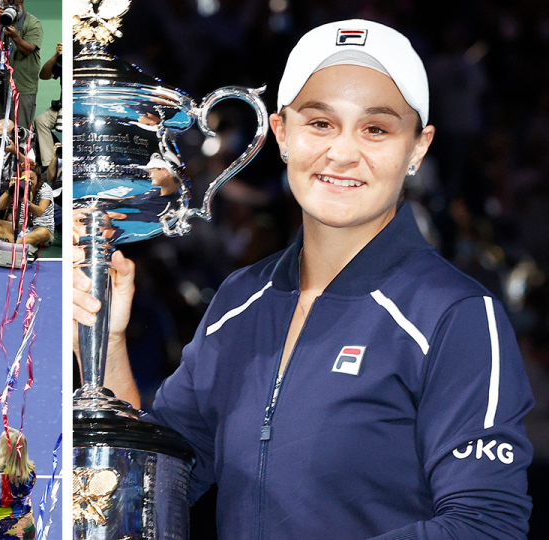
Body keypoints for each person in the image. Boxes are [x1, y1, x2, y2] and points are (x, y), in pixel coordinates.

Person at [73, 19, 534, 538]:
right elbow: (154, 485)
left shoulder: (456, 314)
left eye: (376, 129)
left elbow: (486, 524)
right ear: (282, 133)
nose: (342, 152)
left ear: (418, 148)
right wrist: (108, 340)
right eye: (320, 123)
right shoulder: (239, 300)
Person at [0, 0, 42, 131]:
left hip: (22, 86)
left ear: (21, 1)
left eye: (13, 1)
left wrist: (15, 37)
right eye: (5, 0)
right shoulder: (0, 20)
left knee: (20, 131)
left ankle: (20, 152)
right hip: (0, 85)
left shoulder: (32, 23)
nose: (9, 4)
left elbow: (28, 50)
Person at [0, 167, 52, 252]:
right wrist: (10, 189)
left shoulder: (45, 189)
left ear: (38, 178)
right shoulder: (19, 186)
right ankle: (20, 244)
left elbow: (39, 212)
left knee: (43, 233)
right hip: (20, 228)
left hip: (40, 228)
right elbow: (0, 207)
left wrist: (25, 201)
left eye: (31, 179)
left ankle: (10, 245)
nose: (28, 182)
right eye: (25, 179)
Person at [33, 42, 61, 169]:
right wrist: (56, 55)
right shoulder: (63, 61)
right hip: (61, 108)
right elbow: (44, 75)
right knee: (41, 120)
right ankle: (50, 165)